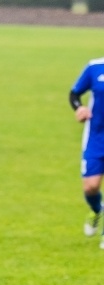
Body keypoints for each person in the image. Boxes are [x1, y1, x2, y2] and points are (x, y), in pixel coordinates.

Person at [70, 57, 104, 249]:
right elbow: (74, 93)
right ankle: (97, 210)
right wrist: (79, 108)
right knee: (91, 187)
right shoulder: (95, 67)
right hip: (95, 139)